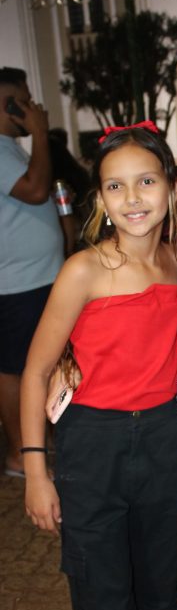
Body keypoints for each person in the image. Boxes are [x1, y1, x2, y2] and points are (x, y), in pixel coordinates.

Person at [20, 124, 177, 610]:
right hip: (91, 446)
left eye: (146, 181)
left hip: (162, 440)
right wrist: (36, 471)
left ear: (169, 187)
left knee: (161, 590)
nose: (133, 198)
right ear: (99, 197)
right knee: (102, 601)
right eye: (116, 186)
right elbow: (36, 371)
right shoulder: (84, 269)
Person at [0, 67, 64, 477]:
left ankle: (37, 437)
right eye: (23, 100)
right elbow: (36, 190)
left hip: (36, 279)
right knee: (14, 369)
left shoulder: (9, 149)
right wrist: (40, 131)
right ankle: (18, 452)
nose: (32, 106)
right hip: (17, 285)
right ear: (8, 105)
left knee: (37, 364)